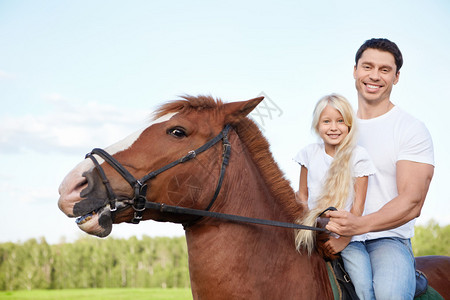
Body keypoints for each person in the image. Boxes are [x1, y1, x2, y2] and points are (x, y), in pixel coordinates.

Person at [325, 38, 435, 299]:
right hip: (335, 232)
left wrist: (359, 225)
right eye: (367, 67)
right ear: (355, 71)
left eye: (384, 70)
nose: (374, 76)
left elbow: (412, 201)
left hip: (388, 239)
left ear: (396, 77)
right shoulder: (335, 126)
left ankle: (408, 274)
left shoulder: (410, 128)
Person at [293, 94, 376, 258]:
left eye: (340, 121)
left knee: (362, 282)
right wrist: (309, 229)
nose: (333, 127)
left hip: (348, 239)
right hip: (313, 233)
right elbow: (302, 195)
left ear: (349, 125)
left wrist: (343, 241)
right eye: (326, 121)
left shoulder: (358, 156)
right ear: (317, 125)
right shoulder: (308, 153)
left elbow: (357, 208)